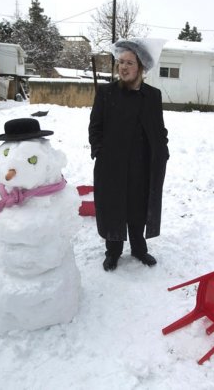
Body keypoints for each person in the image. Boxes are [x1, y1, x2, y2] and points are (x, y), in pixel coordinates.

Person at [88, 38, 169, 272]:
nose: (123, 67)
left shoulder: (152, 96)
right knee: (113, 207)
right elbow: (95, 127)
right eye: (120, 62)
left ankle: (139, 249)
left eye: (129, 63)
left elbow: (159, 128)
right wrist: (99, 151)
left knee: (138, 208)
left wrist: (162, 150)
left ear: (140, 67)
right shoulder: (106, 93)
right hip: (112, 165)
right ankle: (112, 252)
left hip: (142, 166)